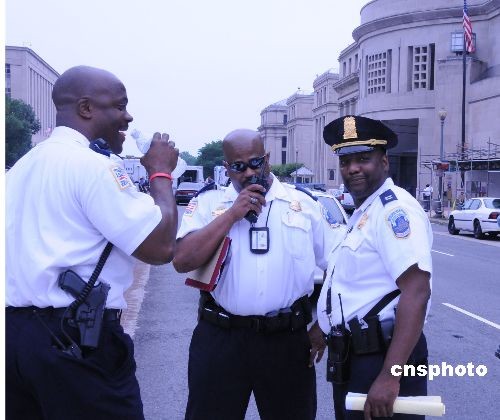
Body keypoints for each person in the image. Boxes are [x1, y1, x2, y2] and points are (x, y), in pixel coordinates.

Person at [6, 65, 179, 420]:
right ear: (86, 108)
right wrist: (161, 174)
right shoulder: (94, 167)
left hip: (15, 341)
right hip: (76, 342)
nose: (128, 117)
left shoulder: (20, 168)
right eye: (119, 106)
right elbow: (160, 248)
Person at [173, 128, 345, 420]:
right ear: (227, 168)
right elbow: (182, 260)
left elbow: (340, 264)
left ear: (267, 159)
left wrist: (325, 324)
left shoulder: (304, 204)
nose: (250, 172)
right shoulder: (209, 203)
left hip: (286, 340)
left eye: (256, 163)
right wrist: (231, 215)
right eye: (239, 167)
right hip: (221, 337)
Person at [317, 115, 433, 420]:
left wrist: (390, 376)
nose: (352, 168)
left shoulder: (394, 210)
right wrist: (323, 326)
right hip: (353, 356)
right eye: (346, 161)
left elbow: (417, 292)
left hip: (384, 358)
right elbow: (354, 286)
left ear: (384, 162)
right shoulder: (365, 212)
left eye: (363, 159)